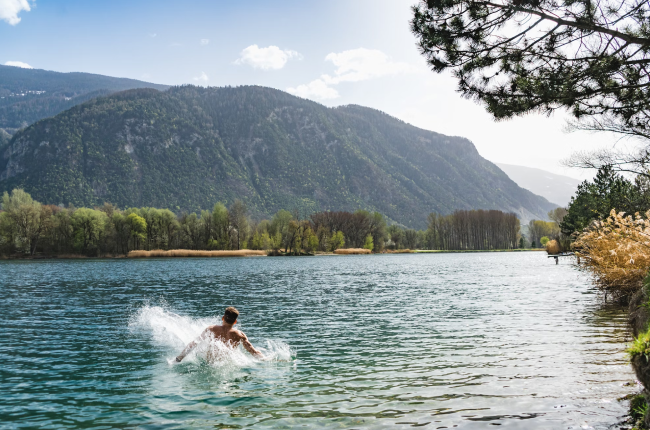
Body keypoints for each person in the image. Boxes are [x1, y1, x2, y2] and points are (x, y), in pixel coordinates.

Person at [175, 306, 263, 362]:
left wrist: (180, 357)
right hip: (226, 364)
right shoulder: (240, 335)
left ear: (223, 318)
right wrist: (265, 359)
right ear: (235, 321)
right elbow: (253, 352)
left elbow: (194, 343)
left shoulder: (211, 329)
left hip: (209, 363)